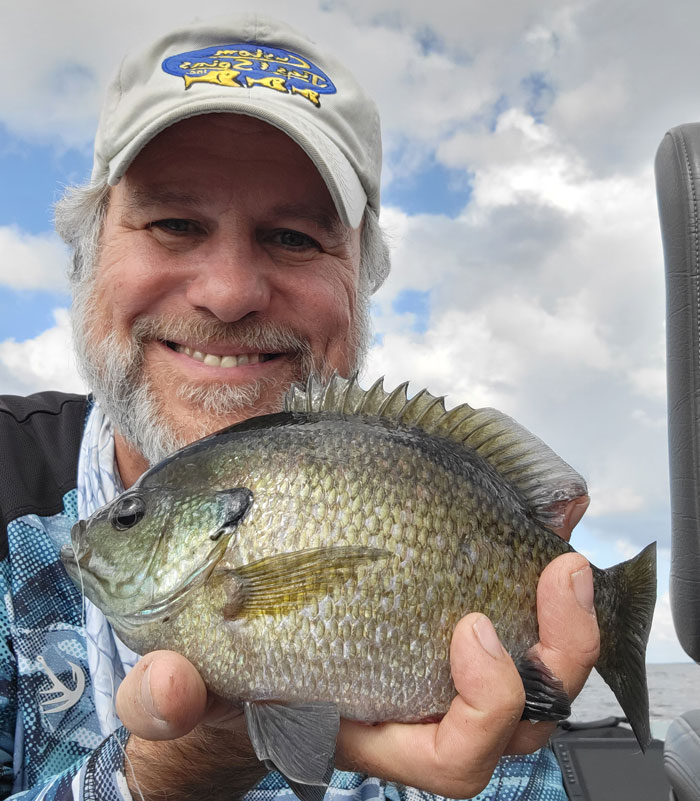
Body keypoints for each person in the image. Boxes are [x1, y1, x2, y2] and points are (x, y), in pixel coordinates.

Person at [0, 14, 598, 801]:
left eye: (291, 238)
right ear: (87, 254)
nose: (228, 292)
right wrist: (168, 775)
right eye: (175, 223)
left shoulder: (436, 499)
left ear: (362, 281)